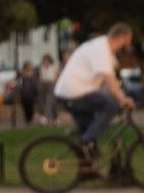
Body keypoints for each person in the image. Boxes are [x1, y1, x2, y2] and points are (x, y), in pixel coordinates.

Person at [54, 24, 133, 162]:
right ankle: (86, 141)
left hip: (70, 92)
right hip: (75, 92)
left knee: (89, 127)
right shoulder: (100, 49)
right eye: (128, 40)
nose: (128, 44)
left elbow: (111, 78)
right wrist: (122, 98)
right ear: (122, 37)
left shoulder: (102, 48)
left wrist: (118, 92)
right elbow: (109, 79)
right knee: (111, 107)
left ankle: (87, 170)